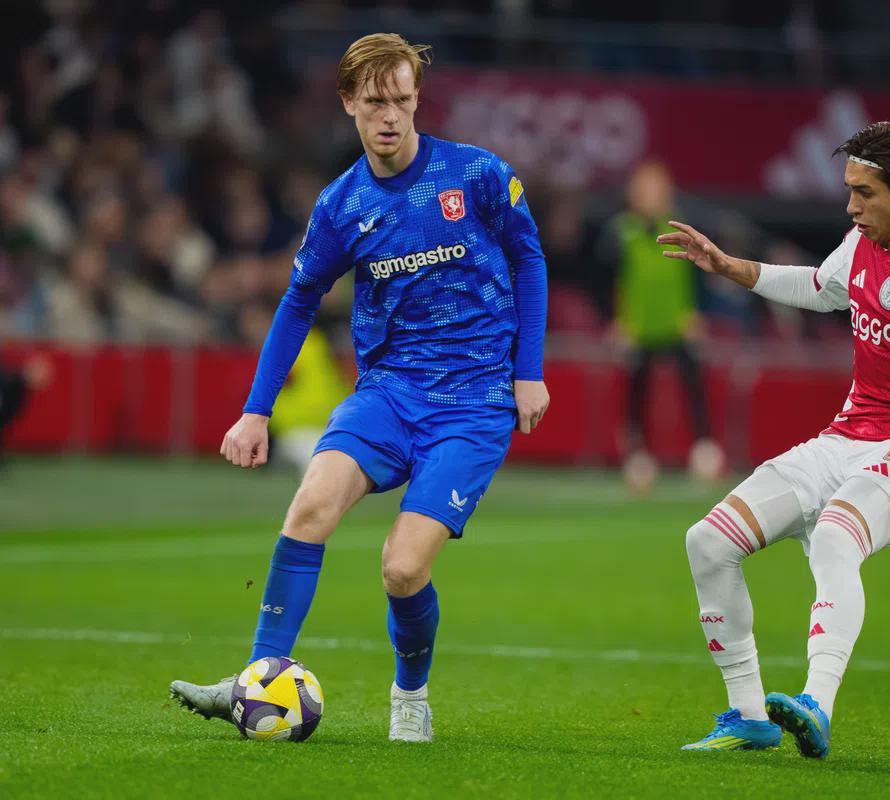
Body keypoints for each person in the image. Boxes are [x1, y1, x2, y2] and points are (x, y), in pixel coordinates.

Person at [168, 34, 550, 743]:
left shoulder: (477, 174)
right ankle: (256, 678)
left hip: (474, 402)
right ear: (348, 102)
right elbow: (298, 302)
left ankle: (410, 694)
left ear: (417, 99)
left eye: (402, 100)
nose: (390, 116)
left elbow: (529, 259)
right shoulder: (342, 205)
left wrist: (528, 371)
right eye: (375, 102)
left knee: (401, 570)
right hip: (389, 392)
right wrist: (255, 412)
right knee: (309, 504)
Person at [658, 122, 890, 757]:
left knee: (835, 535)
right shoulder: (860, 243)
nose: (851, 206)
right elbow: (821, 288)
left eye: (864, 192)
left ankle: (816, 703)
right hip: (847, 435)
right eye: (849, 190)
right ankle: (749, 717)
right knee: (708, 542)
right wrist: (732, 268)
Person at [598, 161, 723, 490]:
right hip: (637, 328)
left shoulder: (686, 229)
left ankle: (704, 449)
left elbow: (703, 274)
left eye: (656, 188)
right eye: (644, 188)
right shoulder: (619, 231)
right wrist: (617, 321)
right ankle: (638, 455)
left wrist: (697, 313)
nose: (650, 195)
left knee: (694, 384)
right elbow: (604, 282)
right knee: (636, 392)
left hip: (679, 324)